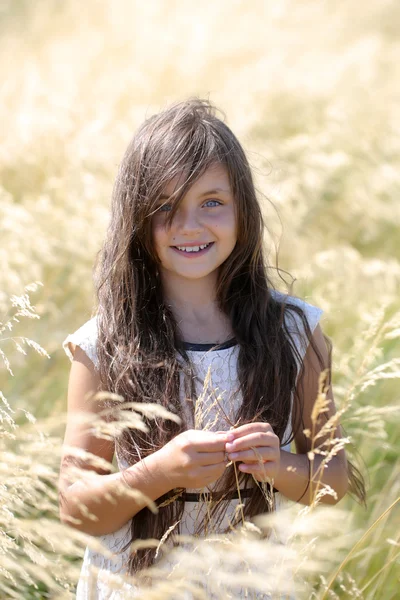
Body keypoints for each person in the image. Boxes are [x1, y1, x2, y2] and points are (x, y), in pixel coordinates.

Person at [58, 98, 365, 599]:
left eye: (212, 202)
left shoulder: (294, 333)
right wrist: (159, 473)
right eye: (165, 207)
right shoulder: (105, 345)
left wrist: (279, 465)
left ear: (243, 208)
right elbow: (76, 509)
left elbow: (332, 478)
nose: (190, 226)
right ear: (136, 219)